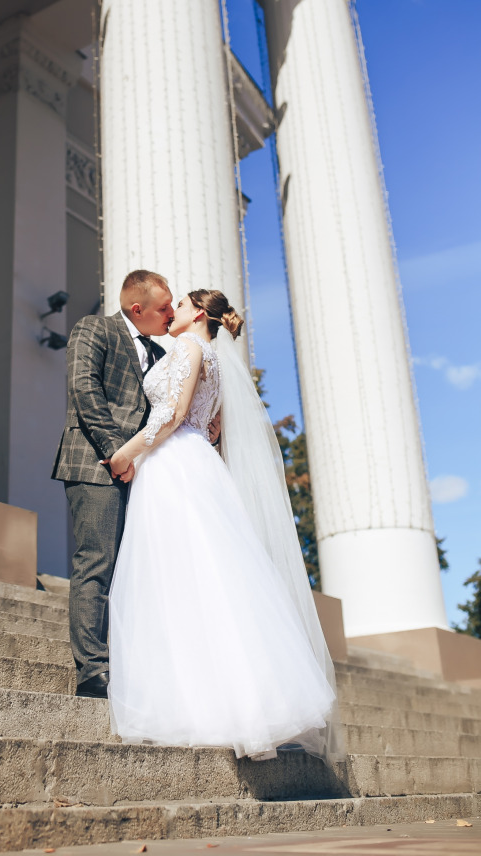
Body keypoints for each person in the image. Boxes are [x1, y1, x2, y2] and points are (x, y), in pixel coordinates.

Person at [106, 289, 343, 762]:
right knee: (202, 575)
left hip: (174, 461)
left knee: (183, 575)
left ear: (199, 314)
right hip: (189, 459)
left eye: (179, 305)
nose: (170, 312)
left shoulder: (192, 349)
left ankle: (207, 704)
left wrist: (126, 453)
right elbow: (211, 428)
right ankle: (213, 697)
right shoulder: (211, 359)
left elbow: (172, 416)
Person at [52, 269, 173, 698]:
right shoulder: (93, 329)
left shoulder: (162, 355)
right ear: (136, 309)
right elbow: (85, 391)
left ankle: (133, 662)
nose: (172, 313)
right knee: (96, 564)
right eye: (164, 307)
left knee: (135, 571)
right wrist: (116, 452)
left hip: (143, 474)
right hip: (94, 464)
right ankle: (92, 671)